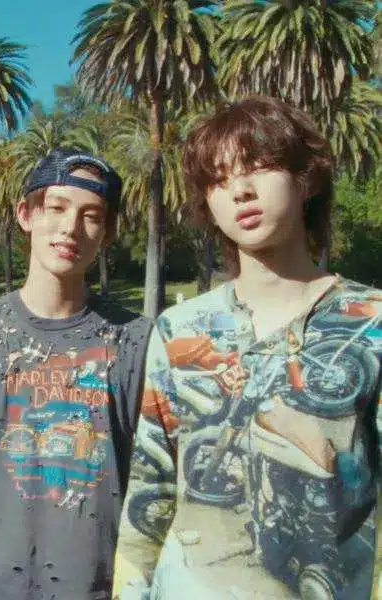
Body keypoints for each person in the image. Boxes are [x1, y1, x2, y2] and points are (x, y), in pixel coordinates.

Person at [111, 96, 382, 600]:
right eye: (219, 180)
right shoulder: (179, 329)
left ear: (306, 179)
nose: (240, 190)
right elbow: (152, 488)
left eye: (259, 166)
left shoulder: (371, 324)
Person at [0, 149, 152, 600]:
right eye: (56, 207)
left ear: (107, 233)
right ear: (25, 214)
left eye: (91, 216)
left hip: (101, 585)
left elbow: (157, 482)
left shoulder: (137, 340)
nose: (70, 228)